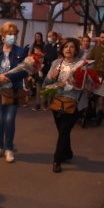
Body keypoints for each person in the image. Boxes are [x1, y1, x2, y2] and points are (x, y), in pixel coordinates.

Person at [0, 22, 28, 163]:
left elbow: (24, 72)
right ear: (3, 36)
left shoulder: (20, 52)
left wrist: (9, 77)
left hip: (13, 90)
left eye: (14, 35)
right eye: (9, 34)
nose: (12, 37)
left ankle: (8, 148)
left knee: (9, 120)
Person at [44, 38, 86, 173]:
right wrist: (51, 76)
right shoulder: (56, 63)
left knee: (63, 131)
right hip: (57, 102)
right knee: (63, 131)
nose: (68, 49)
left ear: (76, 50)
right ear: (62, 49)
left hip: (74, 103)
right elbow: (46, 82)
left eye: (72, 47)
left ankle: (57, 159)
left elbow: (88, 85)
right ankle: (67, 152)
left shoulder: (81, 65)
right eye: (66, 46)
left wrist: (75, 83)